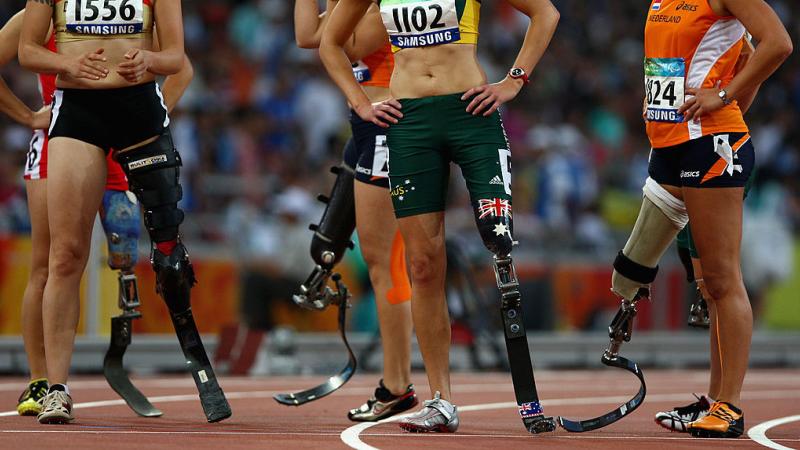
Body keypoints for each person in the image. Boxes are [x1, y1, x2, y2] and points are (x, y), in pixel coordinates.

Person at [320, 0, 559, 432]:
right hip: (409, 122)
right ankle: (441, 399)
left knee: (498, 238)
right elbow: (329, 43)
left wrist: (514, 80)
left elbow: (546, 12)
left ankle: (526, 390)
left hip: (470, 113)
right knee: (422, 266)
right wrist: (360, 103)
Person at [17, 0, 218, 424]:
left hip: (139, 109)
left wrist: (148, 58)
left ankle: (196, 355)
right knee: (65, 254)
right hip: (77, 113)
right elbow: (27, 50)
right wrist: (65, 64)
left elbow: (176, 57)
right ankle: (55, 388)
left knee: (167, 248)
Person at [610, 0, 791, 438]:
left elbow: (778, 44)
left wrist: (724, 98)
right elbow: (738, 52)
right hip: (669, 149)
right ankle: (713, 401)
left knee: (724, 279)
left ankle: (729, 407)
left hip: (710, 146)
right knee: (707, 284)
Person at [294, 0, 417, 421]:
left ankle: (398, 384)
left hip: (388, 123)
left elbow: (343, 44)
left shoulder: (387, 6)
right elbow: (307, 36)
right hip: (367, 125)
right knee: (385, 262)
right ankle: (398, 382)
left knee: (387, 263)